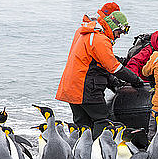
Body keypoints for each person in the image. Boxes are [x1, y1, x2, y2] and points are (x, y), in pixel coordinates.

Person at [56, 10, 144, 139]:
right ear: (114, 26)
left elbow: (98, 63)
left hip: (71, 87)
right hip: (86, 90)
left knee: (83, 124)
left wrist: (114, 82)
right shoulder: (100, 39)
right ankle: (99, 152)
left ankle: (82, 152)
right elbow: (115, 68)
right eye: (119, 32)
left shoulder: (87, 34)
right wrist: (136, 81)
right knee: (103, 121)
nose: (119, 36)